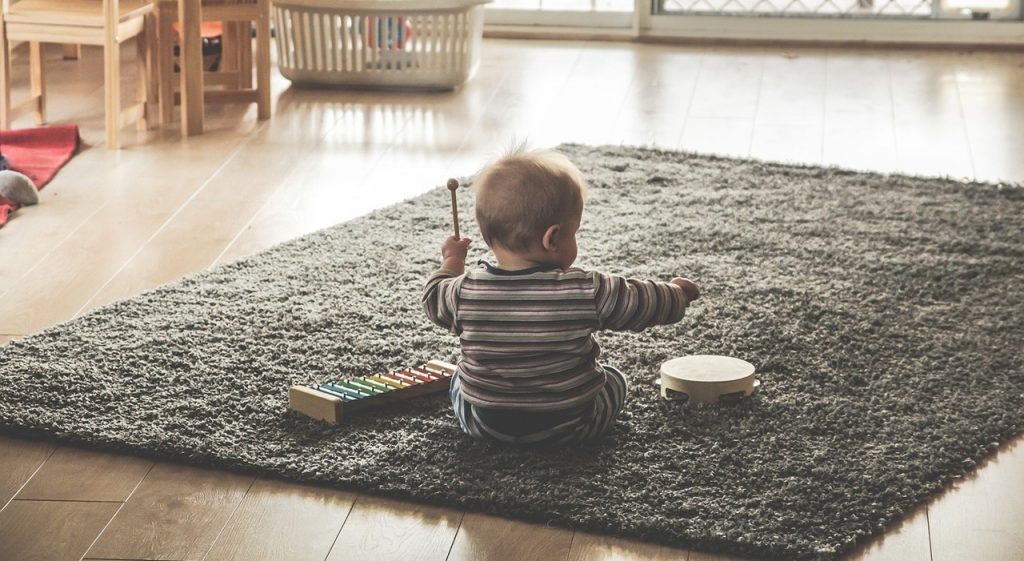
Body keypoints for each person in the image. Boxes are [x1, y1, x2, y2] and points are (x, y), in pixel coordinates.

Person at [423, 146, 700, 446]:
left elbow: (432, 298)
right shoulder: (585, 289)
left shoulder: (463, 292)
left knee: (458, 379)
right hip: (571, 424)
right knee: (615, 378)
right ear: (552, 238)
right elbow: (641, 301)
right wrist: (677, 294)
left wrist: (452, 261)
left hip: (486, 425)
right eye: (574, 232)